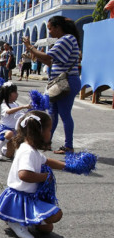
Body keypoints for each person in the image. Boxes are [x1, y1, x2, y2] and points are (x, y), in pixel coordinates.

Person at [0, 111, 65, 238]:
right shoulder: (28, 152)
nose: (50, 133)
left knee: (47, 228)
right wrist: (45, 177)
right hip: (20, 197)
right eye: (49, 130)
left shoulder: (31, 149)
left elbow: (47, 161)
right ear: (39, 132)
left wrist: (68, 166)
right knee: (57, 214)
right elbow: (24, 175)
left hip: (30, 197)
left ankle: (27, 219)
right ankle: (16, 222)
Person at [23, 16, 81, 154]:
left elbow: (48, 57)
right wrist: (36, 54)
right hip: (58, 83)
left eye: (50, 28)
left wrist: (30, 47)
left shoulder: (67, 39)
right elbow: (51, 62)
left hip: (66, 82)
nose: (49, 32)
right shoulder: (63, 40)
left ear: (57, 27)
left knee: (65, 114)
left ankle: (68, 146)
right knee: (52, 114)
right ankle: (47, 142)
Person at [0, 83, 30, 161]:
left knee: (9, 155)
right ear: (8, 94)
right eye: (15, 92)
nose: (17, 94)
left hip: (14, 131)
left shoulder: (15, 104)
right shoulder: (4, 105)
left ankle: (1, 147)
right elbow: (9, 111)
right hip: (5, 130)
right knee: (10, 133)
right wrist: (23, 106)